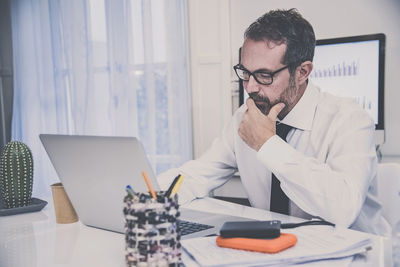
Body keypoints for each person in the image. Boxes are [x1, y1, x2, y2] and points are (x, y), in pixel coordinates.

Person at [158, 8, 390, 236]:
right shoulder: (245, 117)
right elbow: (199, 174)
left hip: (357, 254)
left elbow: (344, 209)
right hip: (279, 251)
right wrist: (148, 196)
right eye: (245, 73)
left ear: (302, 72)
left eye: (264, 75)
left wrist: (268, 144)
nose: (249, 87)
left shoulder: (350, 119)